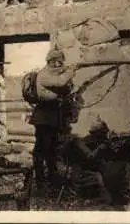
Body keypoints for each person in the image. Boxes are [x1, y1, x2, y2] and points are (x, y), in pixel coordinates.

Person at [29, 48, 76, 189]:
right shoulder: (44, 75)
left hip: (51, 117)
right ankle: (41, 180)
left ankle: (50, 178)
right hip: (44, 118)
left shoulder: (50, 73)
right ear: (52, 62)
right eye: (58, 62)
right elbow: (61, 82)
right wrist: (71, 71)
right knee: (44, 149)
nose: (60, 65)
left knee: (51, 149)